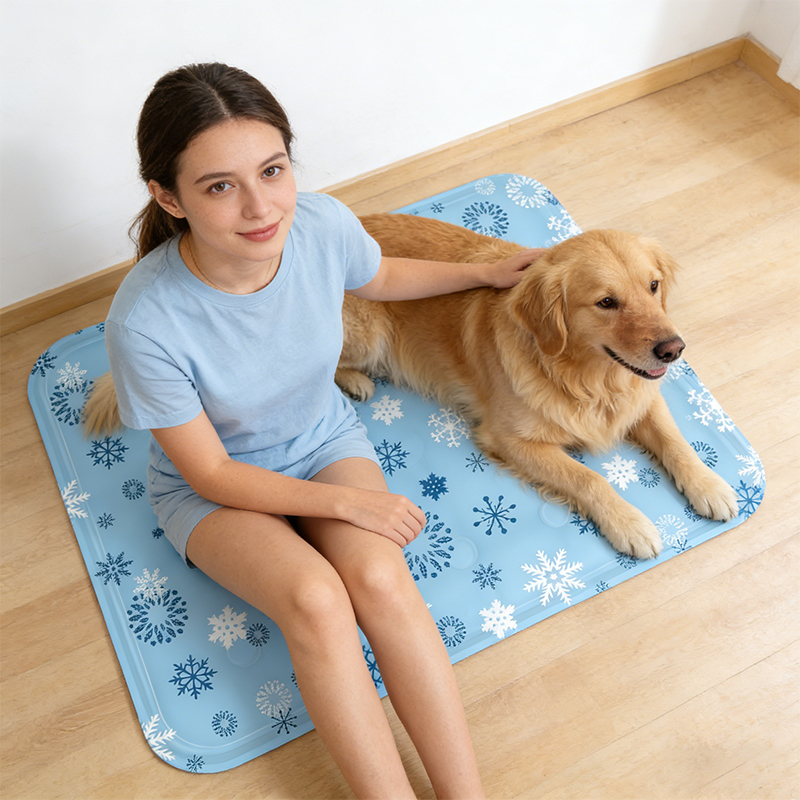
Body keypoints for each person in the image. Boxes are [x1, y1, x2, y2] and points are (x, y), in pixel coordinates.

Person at [106, 62, 543, 799]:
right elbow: (210, 473)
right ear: (168, 197)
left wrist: (486, 272)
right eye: (220, 187)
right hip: (213, 490)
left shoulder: (321, 224)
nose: (260, 207)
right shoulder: (144, 322)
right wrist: (346, 504)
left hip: (320, 440)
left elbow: (378, 279)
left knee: (379, 578)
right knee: (316, 599)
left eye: (272, 170)